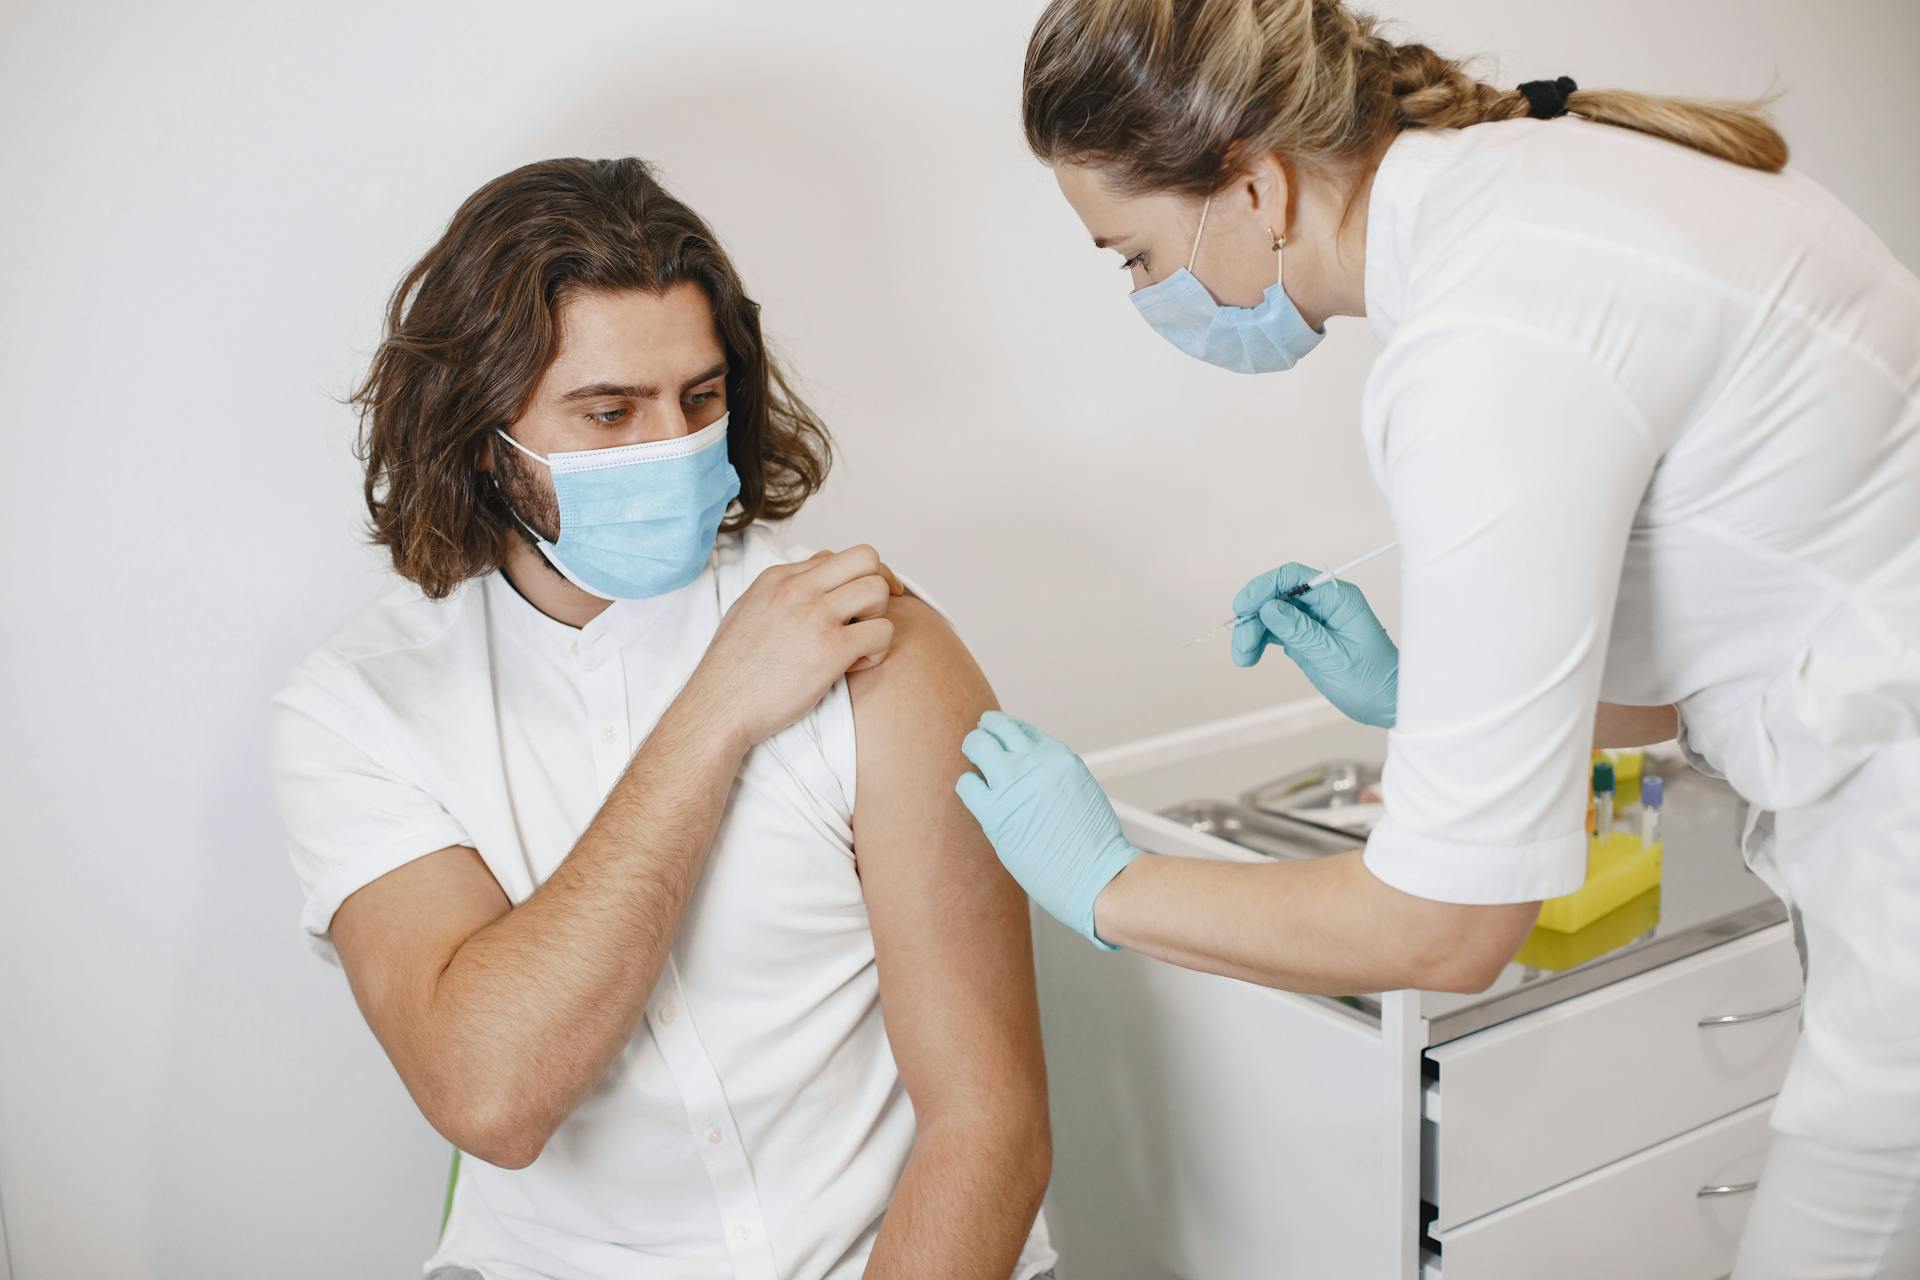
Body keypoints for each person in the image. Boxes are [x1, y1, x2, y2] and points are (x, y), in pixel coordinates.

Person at [953, 2, 1920, 1275]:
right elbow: (1746, 632)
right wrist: (1425, 697)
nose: (1148, 293)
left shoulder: (1487, 338)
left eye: (1132, 254)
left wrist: (1104, 882)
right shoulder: (1538, 189)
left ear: (1254, 184)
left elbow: (1448, 931)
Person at [269, 157, 1056, 1280]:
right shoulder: (359, 710)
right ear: (484, 427)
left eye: (699, 397)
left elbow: (991, 1126)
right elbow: (489, 1090)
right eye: (609, 411)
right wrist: (718, 711)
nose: (675, 447)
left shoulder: (875, 644)